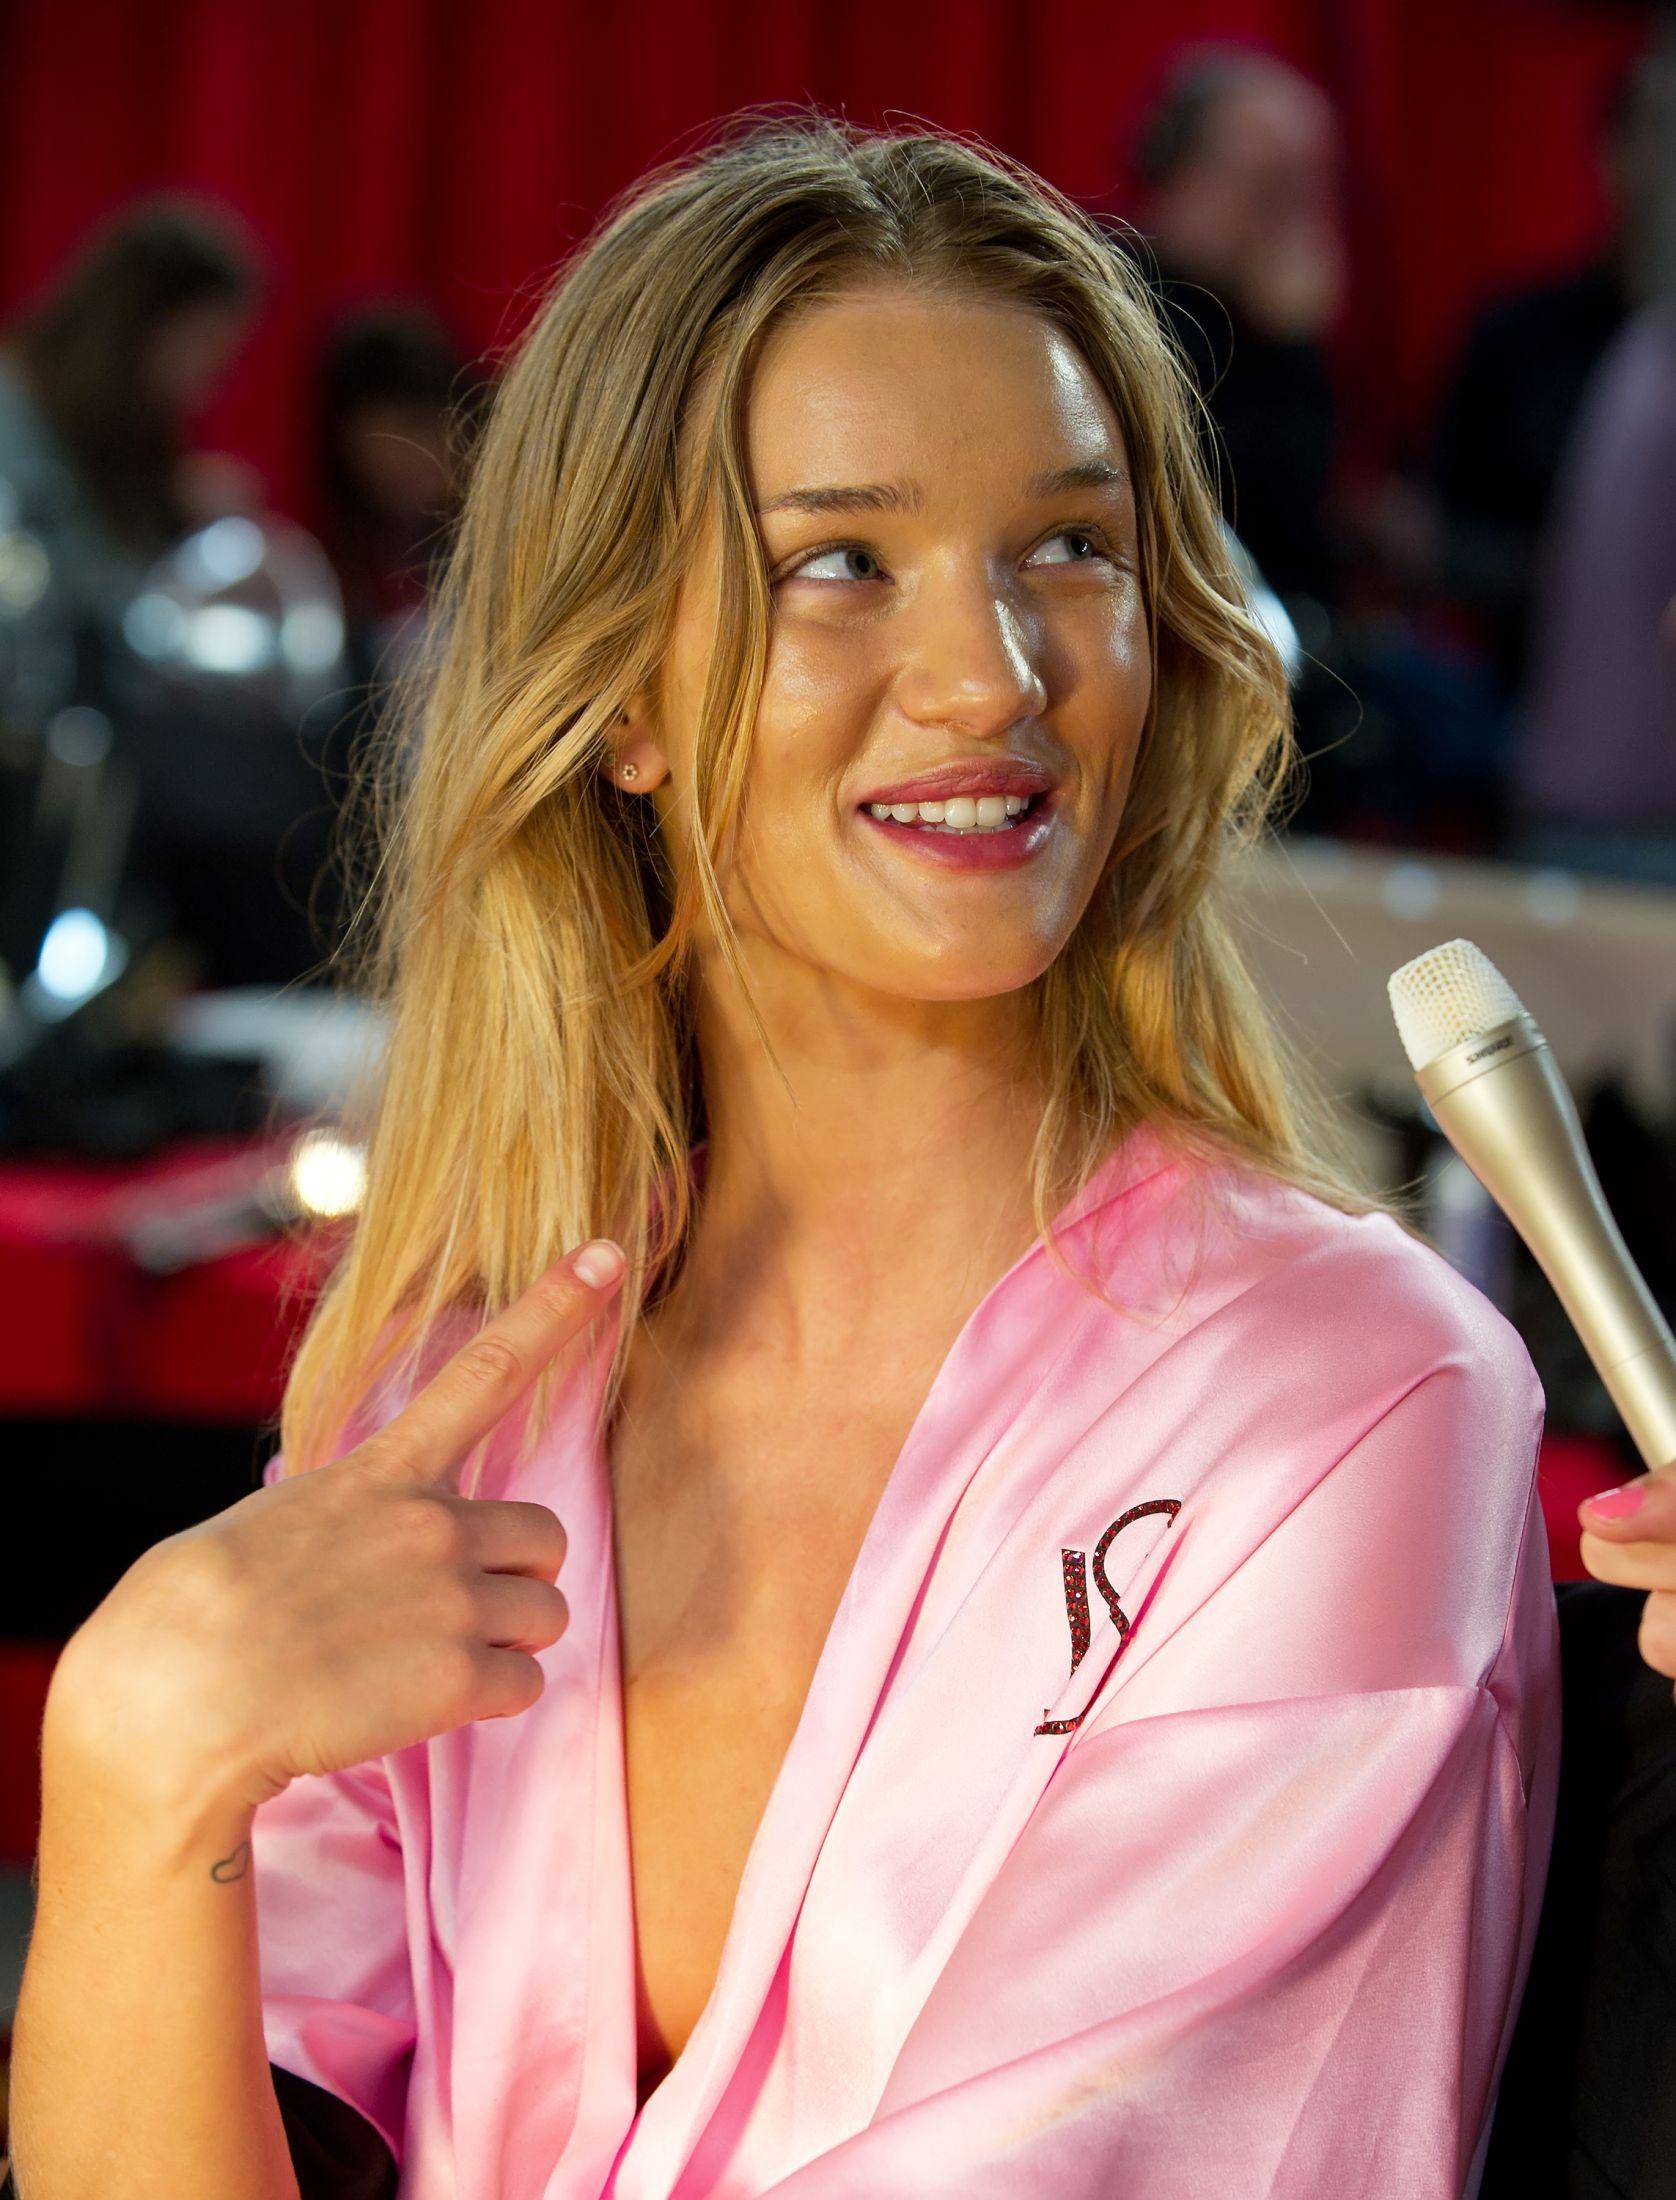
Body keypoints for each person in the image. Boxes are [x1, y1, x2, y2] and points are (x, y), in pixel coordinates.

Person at [9, 113, 1558, 2198]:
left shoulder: (1351, 1399)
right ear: (620, 694)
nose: (992, 676)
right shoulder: (449, 1398)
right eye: (841, 561)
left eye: (1069, 547)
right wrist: (131, 1779)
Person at [0, 192, 262, 691]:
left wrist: (181, 521)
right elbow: (58, 606)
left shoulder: (128, 442)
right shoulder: (14, 418)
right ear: (138, 326)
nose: (206, 384)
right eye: (202, 345)